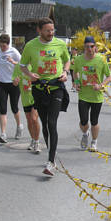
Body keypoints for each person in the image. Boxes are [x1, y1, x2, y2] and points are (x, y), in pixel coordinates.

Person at [19, 17, 70, 176]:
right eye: (47, 30)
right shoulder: (30, 46)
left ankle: (51, 161)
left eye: (52, 30)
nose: (51, 33)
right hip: (39, 88)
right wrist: (29, 74)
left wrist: (65, 72)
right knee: (45, 124)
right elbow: (22, 66)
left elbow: (67, 61)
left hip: (56, 87)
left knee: (51, 122)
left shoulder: (60, 44)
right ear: (39, 30)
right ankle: (51, 154)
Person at [73, 36, 111, 151]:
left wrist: (101, 85)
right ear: (84, 47)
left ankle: (94, 142)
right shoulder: (79, 59)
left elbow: (109, 76)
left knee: (94, 121)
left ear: (95, 47)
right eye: (87, 47)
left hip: (97, 96)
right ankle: (85, 134)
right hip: (83, 95)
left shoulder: (101, 59)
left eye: (92, 46)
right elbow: (75, 73)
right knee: (83, 121)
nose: (89, 49)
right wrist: (76, 83)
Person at [0, 34, 23, 143]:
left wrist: (13, 62)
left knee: (14, 107)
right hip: (1, 83)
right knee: (2, 108)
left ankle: (19, 126)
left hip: (13, 84)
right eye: (1, 46)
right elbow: (0, 65)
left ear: (8, 44)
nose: (2, 48)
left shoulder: (14, 52)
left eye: (4, 46)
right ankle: (3, 134)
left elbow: (23, 65)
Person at [12, 64, 41, 153]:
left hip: (36, 96)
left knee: (34, 118)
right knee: (29, 120)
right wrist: (15, 81)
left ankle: (37, 142)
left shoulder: (36, 62)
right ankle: (33, 139)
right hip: (26, 98)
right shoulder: (18, 66)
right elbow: (14, 82)